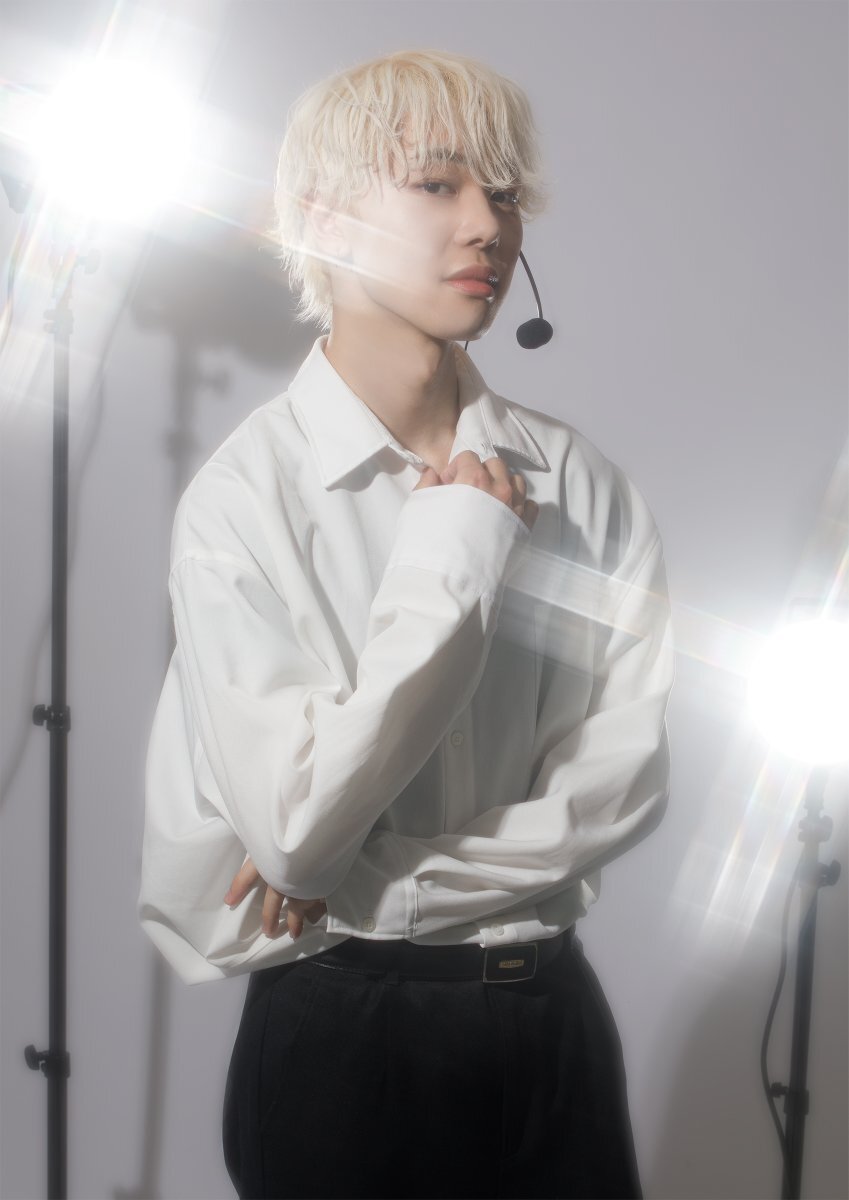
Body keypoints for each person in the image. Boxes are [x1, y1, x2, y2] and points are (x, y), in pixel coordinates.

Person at [138, 47, 674, 1200]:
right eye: (439, 184)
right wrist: (458, 549)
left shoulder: (581, 483)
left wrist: (366, 883)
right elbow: (297, 830)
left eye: (505, 194)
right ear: (324, 218)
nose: (489, 224)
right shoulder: (246, 500)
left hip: (552, 1026)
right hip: (347, 1039)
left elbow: (617, 788)